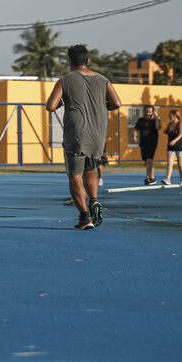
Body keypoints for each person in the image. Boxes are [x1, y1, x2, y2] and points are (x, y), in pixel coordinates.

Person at [45, 44, 122, 230]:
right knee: (91, 171)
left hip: (76, 135)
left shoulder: (65, 80)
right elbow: (117, 103)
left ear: (70, 62)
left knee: (75, 175)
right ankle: (94, 200)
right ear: (87, 61)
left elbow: (50, 106)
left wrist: (63, 102)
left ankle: (84, 216)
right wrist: (103, 107)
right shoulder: (103, 80)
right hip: (97, 135)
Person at [133, 105, 160, 184]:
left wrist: (157, 118)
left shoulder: (155, 120)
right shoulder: (141, 120)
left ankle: (148, 177)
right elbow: (136, 129)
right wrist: (134, 136)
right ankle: (152, 178)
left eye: (150, 112)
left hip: (152, 143)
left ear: (153, 112)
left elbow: (158, 127)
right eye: (146, 111)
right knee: (148, 161)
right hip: (143, 143)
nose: (148, 113)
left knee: (149, 160)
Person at [160, 109, 182, 186]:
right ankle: (168, 179)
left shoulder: (180, 124)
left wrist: (174, 141)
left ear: (175, 115)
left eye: (171, 114)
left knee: (180, 163)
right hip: (170, 146)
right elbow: (167, 132)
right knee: (169, 163)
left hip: (179, 146)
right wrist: (165, 131)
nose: (169, 116)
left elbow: (181, 134)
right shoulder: (170, 124)